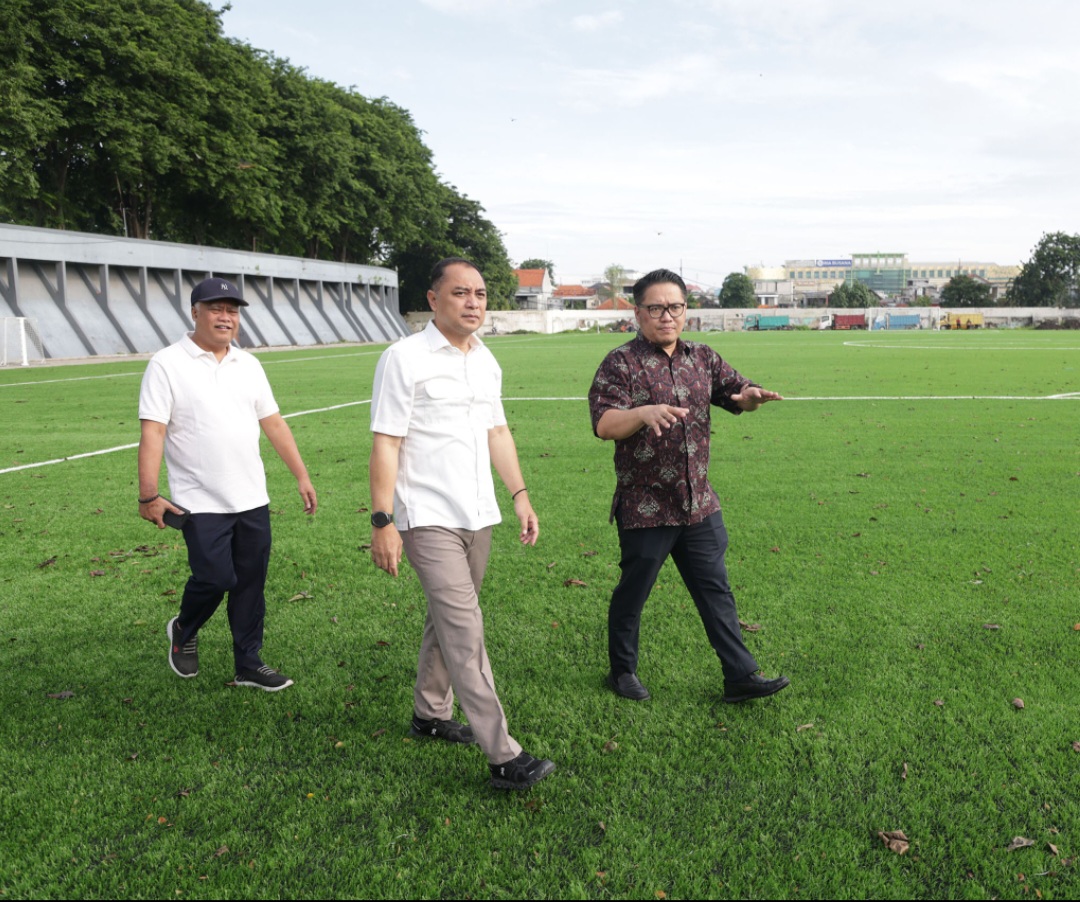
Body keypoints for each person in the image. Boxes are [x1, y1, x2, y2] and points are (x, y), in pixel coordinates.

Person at [369, 257, 555, 791]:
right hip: (426, 515)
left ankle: (429, 713)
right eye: (460, 293)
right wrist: (383, 520)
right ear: (433, 299)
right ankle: (503, 755)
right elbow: (386, 441)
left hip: (478, 513)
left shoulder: (485, 359)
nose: (473, 302)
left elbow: (498, 432)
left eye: (480, 293)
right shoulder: (403, 358)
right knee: (465, 629)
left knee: (447, 620)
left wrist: (520, 495)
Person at [588, 268, 790, 704]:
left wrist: (751, 399)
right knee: (634, 592)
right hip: (646, 505)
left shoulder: (702, 357)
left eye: (675, 307)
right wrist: (642, 413)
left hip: (698, 502)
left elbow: (737, 392)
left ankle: (740, 675)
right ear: (638, 313)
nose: (667, 316)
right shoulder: (620, 363)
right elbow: (604, 424)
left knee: (715, 590)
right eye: (656, 308)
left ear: (685, 310)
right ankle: (622, 671)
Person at [138, 277, 317, 692]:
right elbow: (153, 432)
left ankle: (249, 664)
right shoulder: (166, 364)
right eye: (216, 309)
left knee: (251, 584)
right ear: (195, 312)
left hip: (251, 496)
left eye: (232, 311)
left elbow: (273, 422)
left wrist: (301, 475)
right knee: (216, 578)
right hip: (198, 500)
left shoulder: (248, 364)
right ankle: (184, 627)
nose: (226, 317)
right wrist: (148, 494)